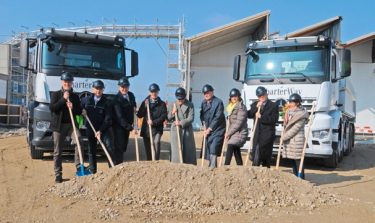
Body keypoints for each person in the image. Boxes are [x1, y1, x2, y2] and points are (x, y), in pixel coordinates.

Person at [49, 72, 83, 183]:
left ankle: (79, 167)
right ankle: (58, 174)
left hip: (71, 126)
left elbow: (79, 111)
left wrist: (73, 107)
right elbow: (53, 108)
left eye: (69, 81)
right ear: (62, 82)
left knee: (78, 140)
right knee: (58, 151)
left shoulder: (75, 97)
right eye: (65, 81)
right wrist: (63, 99)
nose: (67, 83)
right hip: (58, 126)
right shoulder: (56, 94)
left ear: (72, 83)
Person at [81, 80, 112, 173]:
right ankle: (93, 171)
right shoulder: (86, 100)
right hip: (90, 128)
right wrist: (82, 111)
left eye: (100, 89)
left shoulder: (106, 102)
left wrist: (100, 131)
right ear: (93, 89)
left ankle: (112, 170)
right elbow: (78, 107)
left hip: (103, 129)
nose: (98, 91)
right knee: (91, 150)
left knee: (108, 147)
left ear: (103, 90)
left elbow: (108, 119)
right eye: (96, 88)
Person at [247, 86, 278, 168]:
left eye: (263, 95)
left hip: (267, 135)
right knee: (256, 154)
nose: (262, 97)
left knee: (265, 156)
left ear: (266, 94)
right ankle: (254, 170)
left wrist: (261, 117)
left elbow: (274, 119)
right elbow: (249, 114)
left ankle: (266, 173)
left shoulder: (273, 105)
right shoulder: (255, 104)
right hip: (257, 134)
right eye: (260, 96)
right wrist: (256, 108)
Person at [137, 83, 167, 160]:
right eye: (152, 91)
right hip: (147, 130)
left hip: (157, 129)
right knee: (148, 149)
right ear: (149, 92)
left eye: (155, 91)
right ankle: (150, 162)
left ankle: (156, 161)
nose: (154, 93)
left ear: (158, 92)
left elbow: (163, 116)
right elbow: (139, 115)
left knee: (156, 142)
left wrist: (153, 122)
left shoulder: (162, 104)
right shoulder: (145, 102)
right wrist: (144, 106)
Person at [281, 93, 308, 179]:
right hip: (290, 141)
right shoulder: (288, 112)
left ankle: (302, 179)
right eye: (290, 102)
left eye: (292, 102)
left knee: (298, 161)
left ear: (297, 103)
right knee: (292, 160)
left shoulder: (301, 114)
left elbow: (294, 129)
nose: (290, 104)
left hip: (297, 141)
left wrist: (284, 137)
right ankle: (296, 179)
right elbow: (286, 125)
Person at [168, 87, 197, 165]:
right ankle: (176, 163)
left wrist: (181, 123)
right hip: (175, 128)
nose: (180, 100)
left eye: (182, 99)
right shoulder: (172, 104)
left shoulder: (190, 105)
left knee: (188, 148)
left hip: (186, 128)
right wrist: (173, 113)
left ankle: (189, 164)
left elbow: (191, 118)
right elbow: (168, 118)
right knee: (175, 148)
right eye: (179, 99)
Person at [200, 84, 226, 168]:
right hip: (208, 129)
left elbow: (218, 117)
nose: (206, 95)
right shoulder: (204, 103)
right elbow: (202, 115)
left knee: (214, 147)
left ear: (212, 92)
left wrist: (210, 128)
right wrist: (203, 124)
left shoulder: (218, 102)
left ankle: (213, 167)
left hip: (218, 129)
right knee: (208, 147)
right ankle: (210, 166)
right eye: (205, 93)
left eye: (208, 92)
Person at [112, 77, 137, 165]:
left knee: (124, 147)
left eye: (126, 86)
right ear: (119, 87)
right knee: (119, 147)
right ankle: (117, 166)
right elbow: (120, 118)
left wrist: (134, 107)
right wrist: (131, 128)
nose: (124, 88)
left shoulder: (131, 95)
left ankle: (120, 164)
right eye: (122, 86)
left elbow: (134, 104)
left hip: (127, 126)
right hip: (119, 127)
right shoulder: (116, 99)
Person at [224, 88, 248, 166]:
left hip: (240, 132)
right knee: (236, 149)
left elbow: (238, 123)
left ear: (239, 97)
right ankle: (240, 166)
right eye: (232, 96)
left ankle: (226, 165)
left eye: (236, 96)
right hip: (234, 132)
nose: (234, 98)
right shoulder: (230, 107)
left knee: (231, 145)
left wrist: (228, 133)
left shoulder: (241, 107)